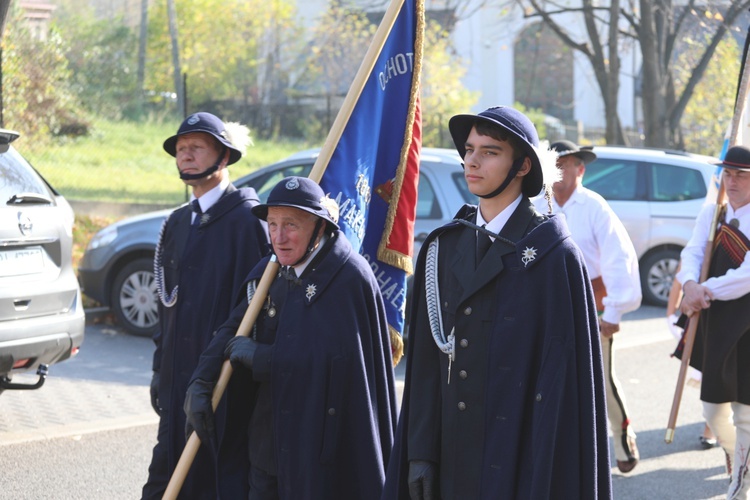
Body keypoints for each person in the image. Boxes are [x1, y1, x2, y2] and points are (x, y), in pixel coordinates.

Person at [383, 106, 612, 499]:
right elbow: (424, 366)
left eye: (489, 152)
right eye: (469, 149)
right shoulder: (443, 246)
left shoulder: (553, 255)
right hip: (450, 457)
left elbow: (564, 385)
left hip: (520, 460)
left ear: (522, 166)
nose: (472, 160)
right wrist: (420, 451)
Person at [183, 176, 398, 499]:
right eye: (272, 225)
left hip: (320, 455)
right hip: (267, 448)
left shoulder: (349, 279)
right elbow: (235, 325)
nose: (279, 238)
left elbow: (341, 365)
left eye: (291, 225)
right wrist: (202, 379)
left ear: (319, 228)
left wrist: (266, 358)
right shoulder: (271, 270)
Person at [142, 112, 269, 499]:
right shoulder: (179, 222)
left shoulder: (250, 221)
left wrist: (216, 371)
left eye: (196, 147)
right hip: (177, 382)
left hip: (224, 387)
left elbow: (256, 308)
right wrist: (160, 369)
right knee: (164, 479)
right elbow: (169, 305)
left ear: (225, 157)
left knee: (214, 483)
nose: (186, 156)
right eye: (181, 150)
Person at [531, 140, 643, 473]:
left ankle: (623, 445)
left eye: (568, 164)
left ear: (581, 169)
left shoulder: (594, 206)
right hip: (545, 305)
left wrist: (612, 313)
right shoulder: (536, 204)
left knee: (601, 380)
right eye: (556, 163)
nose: (562, 170)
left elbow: (618, 258)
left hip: (590, 304)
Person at [677, 145, 750, 499]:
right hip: (716, 321)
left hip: (747, 326)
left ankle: (739, 488)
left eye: (741, 174)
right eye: (728, 173)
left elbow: (747, 276)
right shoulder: (713, 211)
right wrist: (689, 284)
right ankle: (739, 457)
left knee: (746, 413)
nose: (731, 181)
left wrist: (703, 290)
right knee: (713, 409)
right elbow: (691, 252)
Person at [666, 262, 717, 450]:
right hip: (707, 314)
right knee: (711, 374)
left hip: (738, 311)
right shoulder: (704, 235)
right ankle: (711, 426)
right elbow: (681, 276)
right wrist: (670, 313)